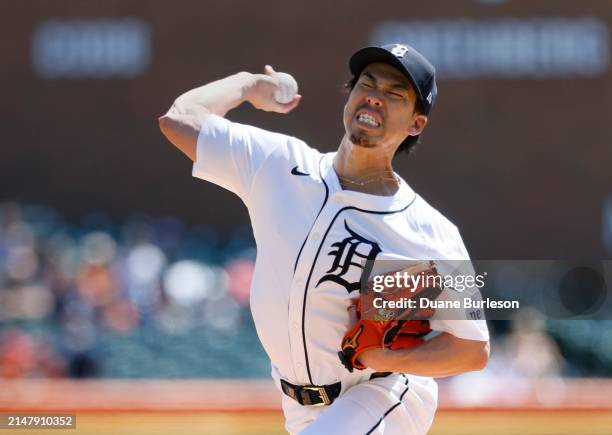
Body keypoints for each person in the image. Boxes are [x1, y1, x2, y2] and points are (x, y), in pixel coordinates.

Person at [159, 43, 490, 435]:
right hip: (297, 408)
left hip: (381, 395)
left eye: (394, 93)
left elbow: (472, 349)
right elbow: (179, 119)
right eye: (367, 83)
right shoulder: (279, 164)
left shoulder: (430, 232)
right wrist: (247, 85)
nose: (375, 96)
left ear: (416, 123)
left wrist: (382, 356)